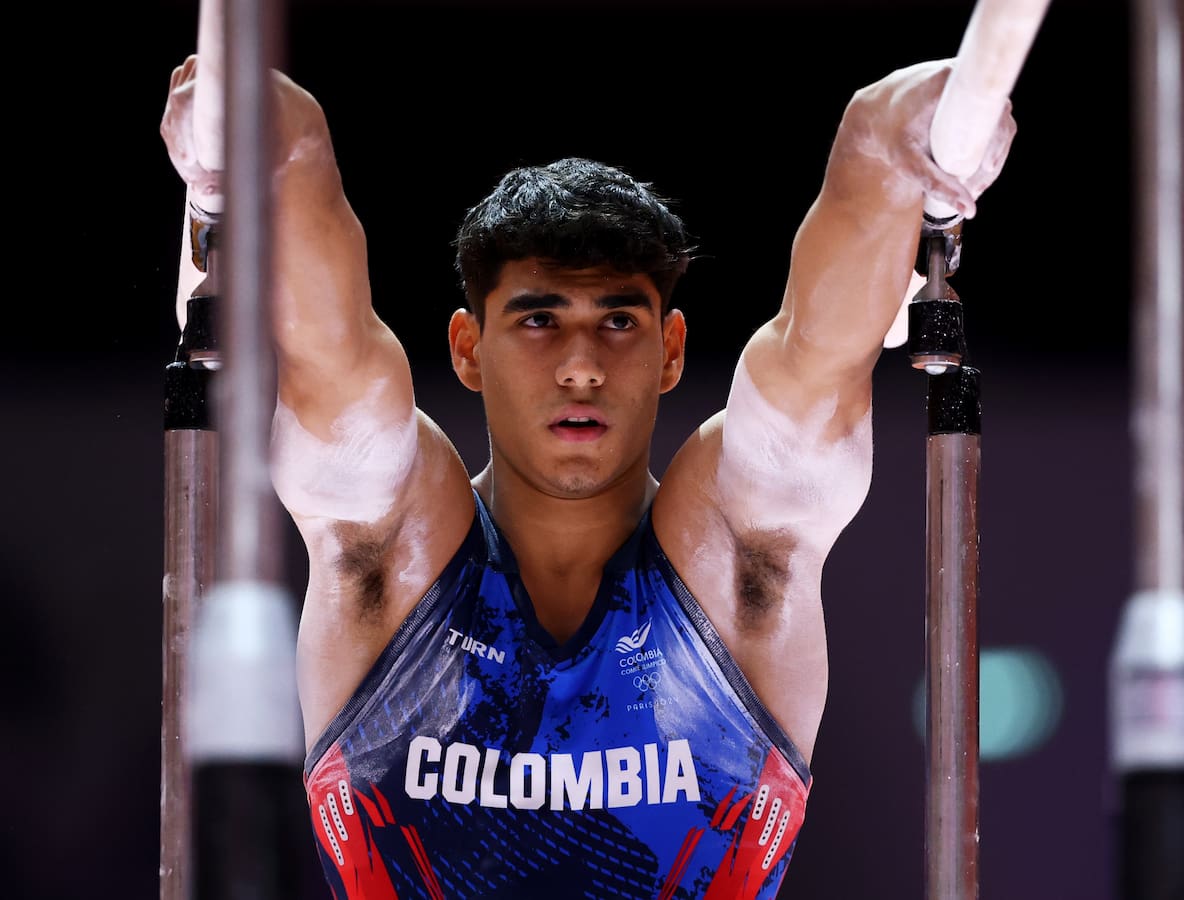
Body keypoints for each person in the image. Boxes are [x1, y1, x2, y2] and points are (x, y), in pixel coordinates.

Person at [161, 52, 1014, 898]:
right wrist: (254, 126)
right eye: (539, 319)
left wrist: (903, 134)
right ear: (467, 350)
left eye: (618, 320)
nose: (580, 366)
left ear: (671, 350)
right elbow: (328, 342)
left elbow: (818, 360)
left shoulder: (744, 556)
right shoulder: (382, 554)